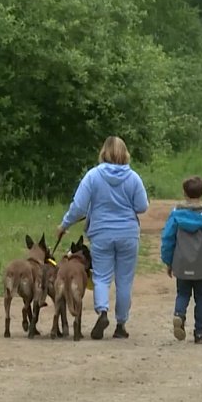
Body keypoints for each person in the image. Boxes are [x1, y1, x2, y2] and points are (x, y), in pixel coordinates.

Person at [57, 136, 149, 340]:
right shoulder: (133, 177)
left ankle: (103, 311)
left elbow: (79, 206)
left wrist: (64, 225)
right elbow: (142, 206)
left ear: (103, 152)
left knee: (101, 276)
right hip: (128, 233)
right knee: (124, 280)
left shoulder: (93, 176)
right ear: (125, 153)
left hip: (101, 233)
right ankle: (121, 325)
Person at [160, 177, 202, 344]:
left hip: (181, 263)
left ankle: (179, 315)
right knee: (201, 297)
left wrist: (168, 261)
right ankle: (200, 333)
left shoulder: (176, 215)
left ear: (184, 193)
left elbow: (168, 239)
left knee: (182, 293)